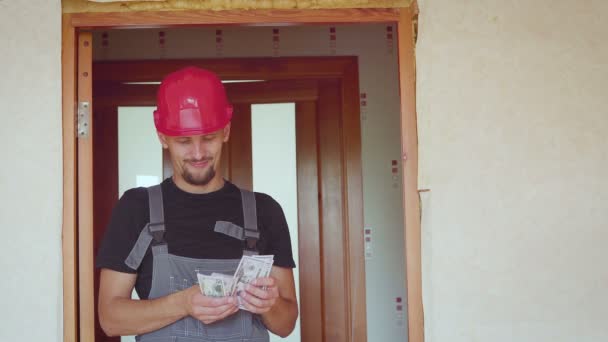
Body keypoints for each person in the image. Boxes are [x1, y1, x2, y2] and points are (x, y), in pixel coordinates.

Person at [96, 66, 299, 341]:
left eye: (209, 137)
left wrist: (270, 305)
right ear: (162, 137)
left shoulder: (264, 211)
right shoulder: (137, 208)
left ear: (225, 131)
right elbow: (110, 318)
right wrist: (183, 303)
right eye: (183, 141)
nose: (198, 153)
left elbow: (286, 324)